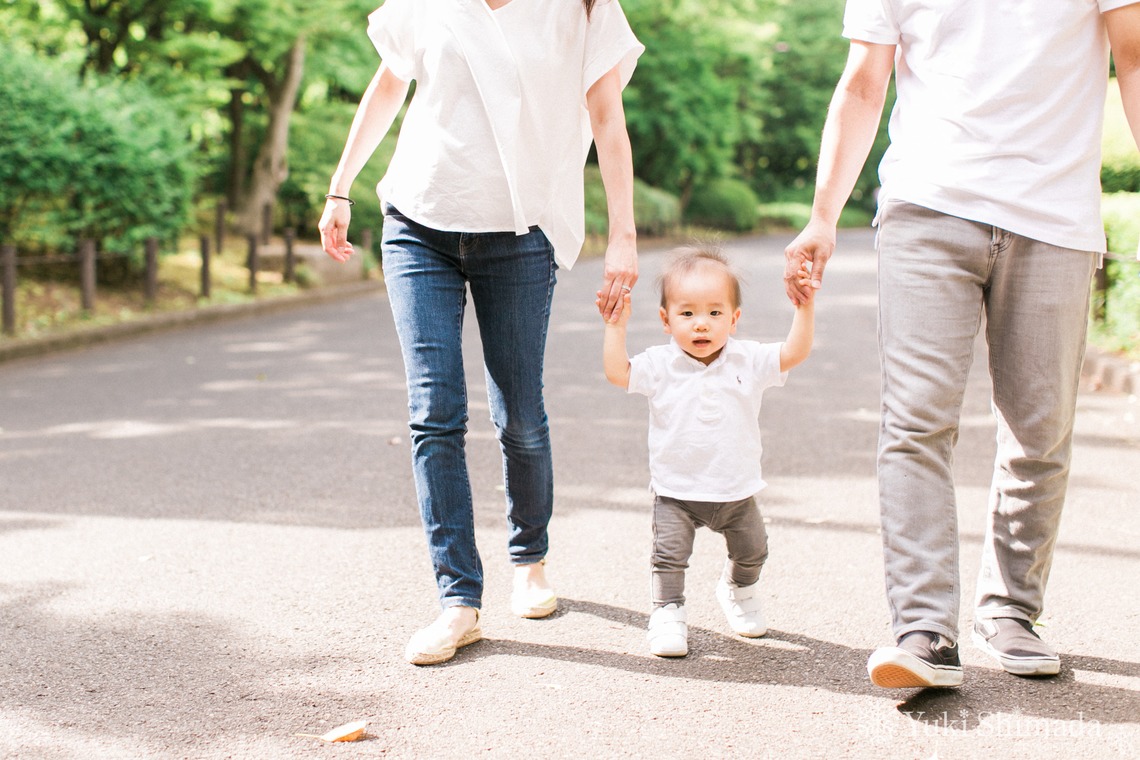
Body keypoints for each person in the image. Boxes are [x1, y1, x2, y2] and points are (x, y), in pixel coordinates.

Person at [784, 0, 1140, 688]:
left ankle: (1010, 610)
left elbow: (1134, 52)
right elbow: (863, 82)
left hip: (1055, 216)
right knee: (916, 422)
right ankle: (923, 628)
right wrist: (823, 215)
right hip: (927, 206)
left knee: (1041, 430)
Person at [318, 0, 644, 666]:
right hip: (418, 222)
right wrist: (340, 187)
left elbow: (607, 116)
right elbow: (389, 81)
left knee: (518, 413)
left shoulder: (579, 8)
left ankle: (531, 559)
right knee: (434, 412)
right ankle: (458, 601)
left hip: (520, 234)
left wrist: (624, 236)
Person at [602, 247, 814, 657]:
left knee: (753, 549)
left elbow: (793, 352)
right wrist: (615, 326)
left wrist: (804, 309)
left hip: (736, 489)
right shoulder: (660, 364)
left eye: (715, 313)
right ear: (665, 320)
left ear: (734, 319)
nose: (702, 324)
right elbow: (618, 372)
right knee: (668, 557)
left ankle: (739, 588)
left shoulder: (747, 359)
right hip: (675, 491)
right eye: (687, 314)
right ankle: (667, 612)